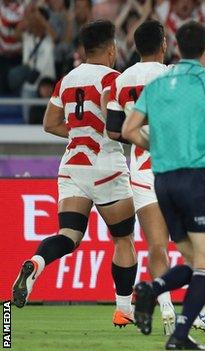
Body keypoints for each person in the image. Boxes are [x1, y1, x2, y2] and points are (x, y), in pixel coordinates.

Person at [122, 21, 205, 350]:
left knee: (194, 261)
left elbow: (127, 130)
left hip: (163, 182)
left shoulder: (158, 83)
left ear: (177, 47)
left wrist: (154, 145)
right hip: (196, 179)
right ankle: (177, 332)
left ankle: (155, 292)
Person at [11, 20, 138, 329]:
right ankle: (123, 310)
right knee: (123, 239)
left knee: (69, 236)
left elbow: (50, 123)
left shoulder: (67, 79)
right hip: (106, 166)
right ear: (111, 49)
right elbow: (114, 124)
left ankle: (36, 263)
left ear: (83, 49)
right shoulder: (113, 79)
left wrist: (80, 132)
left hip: (72, 167)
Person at [107, 19, 205, 336]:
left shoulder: (121, 80)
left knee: (156, 246)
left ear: (135, 46)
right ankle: (196, 313)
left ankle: (167, 310)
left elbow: (114, 130)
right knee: (194, 250)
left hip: (142, 172)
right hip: (177, 169)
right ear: (163, 45)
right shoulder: (173, 75)